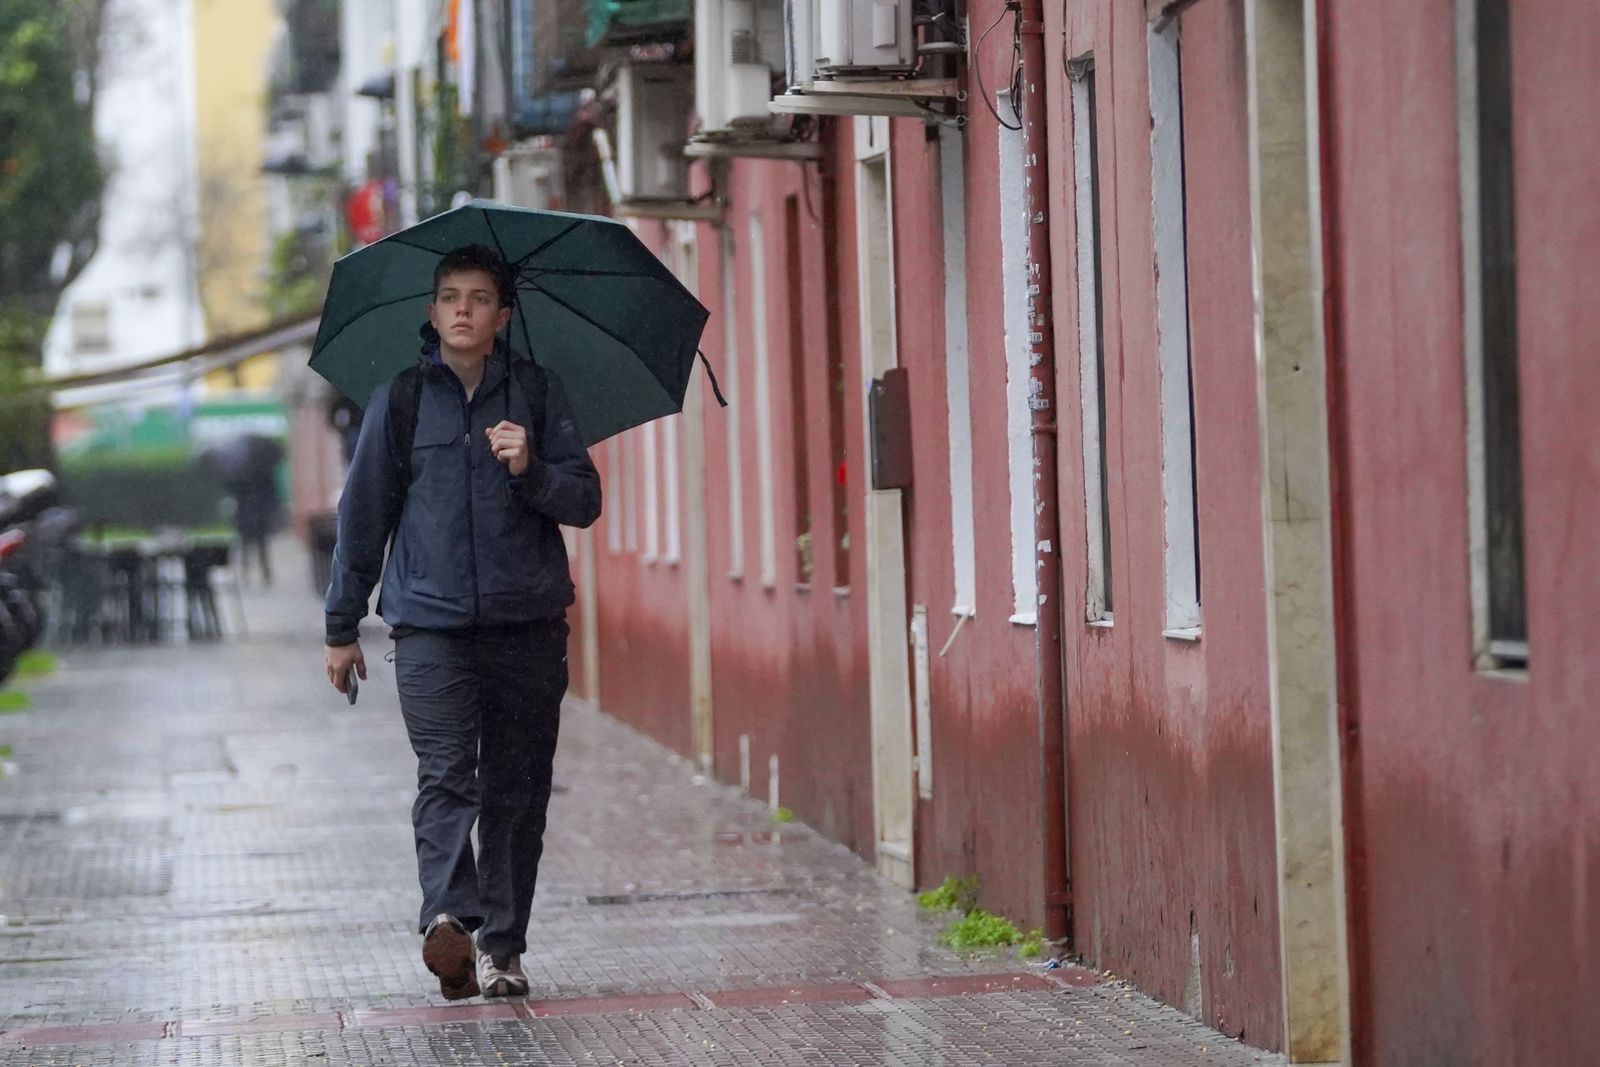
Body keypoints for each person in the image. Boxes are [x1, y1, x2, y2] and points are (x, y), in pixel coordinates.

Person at [322, 244, 601, 1001]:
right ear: (432, 310)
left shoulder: (538, 395)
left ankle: (503, 950)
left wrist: (532, 468)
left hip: (528, 625)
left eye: (479, 298)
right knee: (446, 774)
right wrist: (341, 624)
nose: (464, 310)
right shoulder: (402, 399)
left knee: (516, 789)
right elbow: (363, 512)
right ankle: (450, 918)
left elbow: (584, 500)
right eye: (450, 296)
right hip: (430, 626)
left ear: (502, 314)